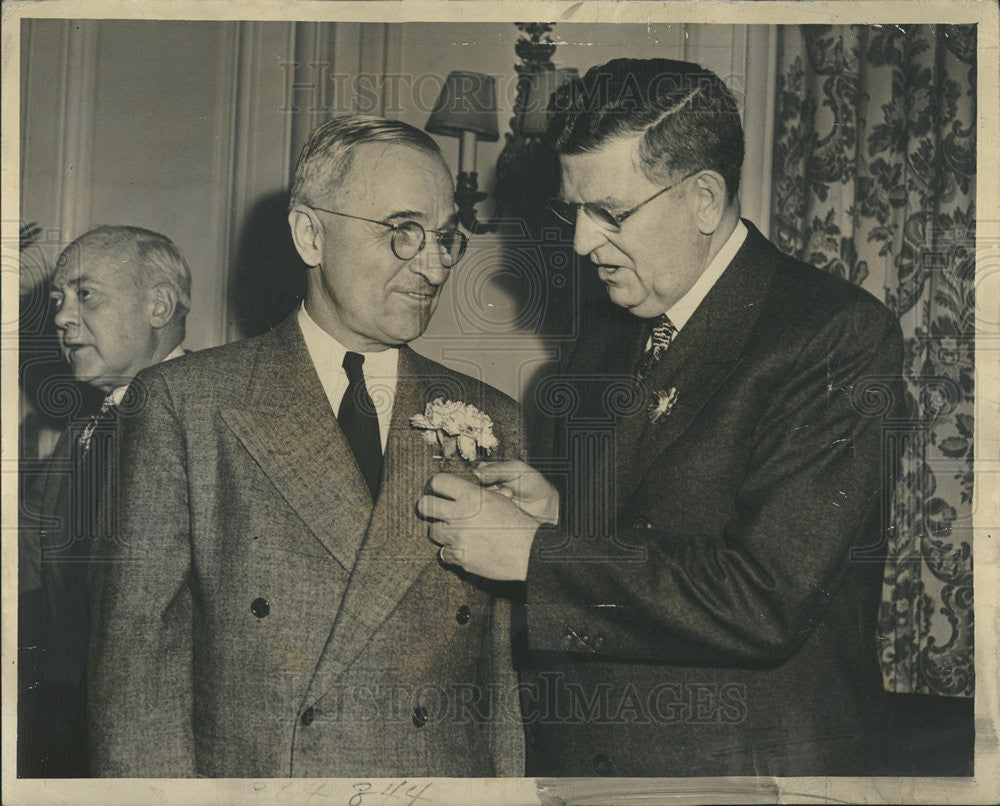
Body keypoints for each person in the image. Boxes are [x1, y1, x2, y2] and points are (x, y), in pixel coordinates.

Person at [417, 58, 904, 777]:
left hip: (747, 775)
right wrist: (559, 519)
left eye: (610, 214)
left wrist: (535, 553)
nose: (582, 244)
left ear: (704, 198)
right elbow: (643, 534)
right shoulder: (606, 333)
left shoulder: (833, 336)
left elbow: (763, 597)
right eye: (573, 211)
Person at [87, 115, 524, 778]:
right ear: (310, 234)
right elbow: (136, 679)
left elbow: (503, 693)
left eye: (445, 237)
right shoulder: (187, 404)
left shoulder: (492, 419)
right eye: (403, 230)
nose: (434, 264)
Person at [19, 226, 192, 777]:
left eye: (85, 295)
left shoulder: (212, 419)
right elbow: (33, 553)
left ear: (158, 305)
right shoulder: (85, 424)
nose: (63, 319)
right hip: (70, 724)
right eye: (58, 301)